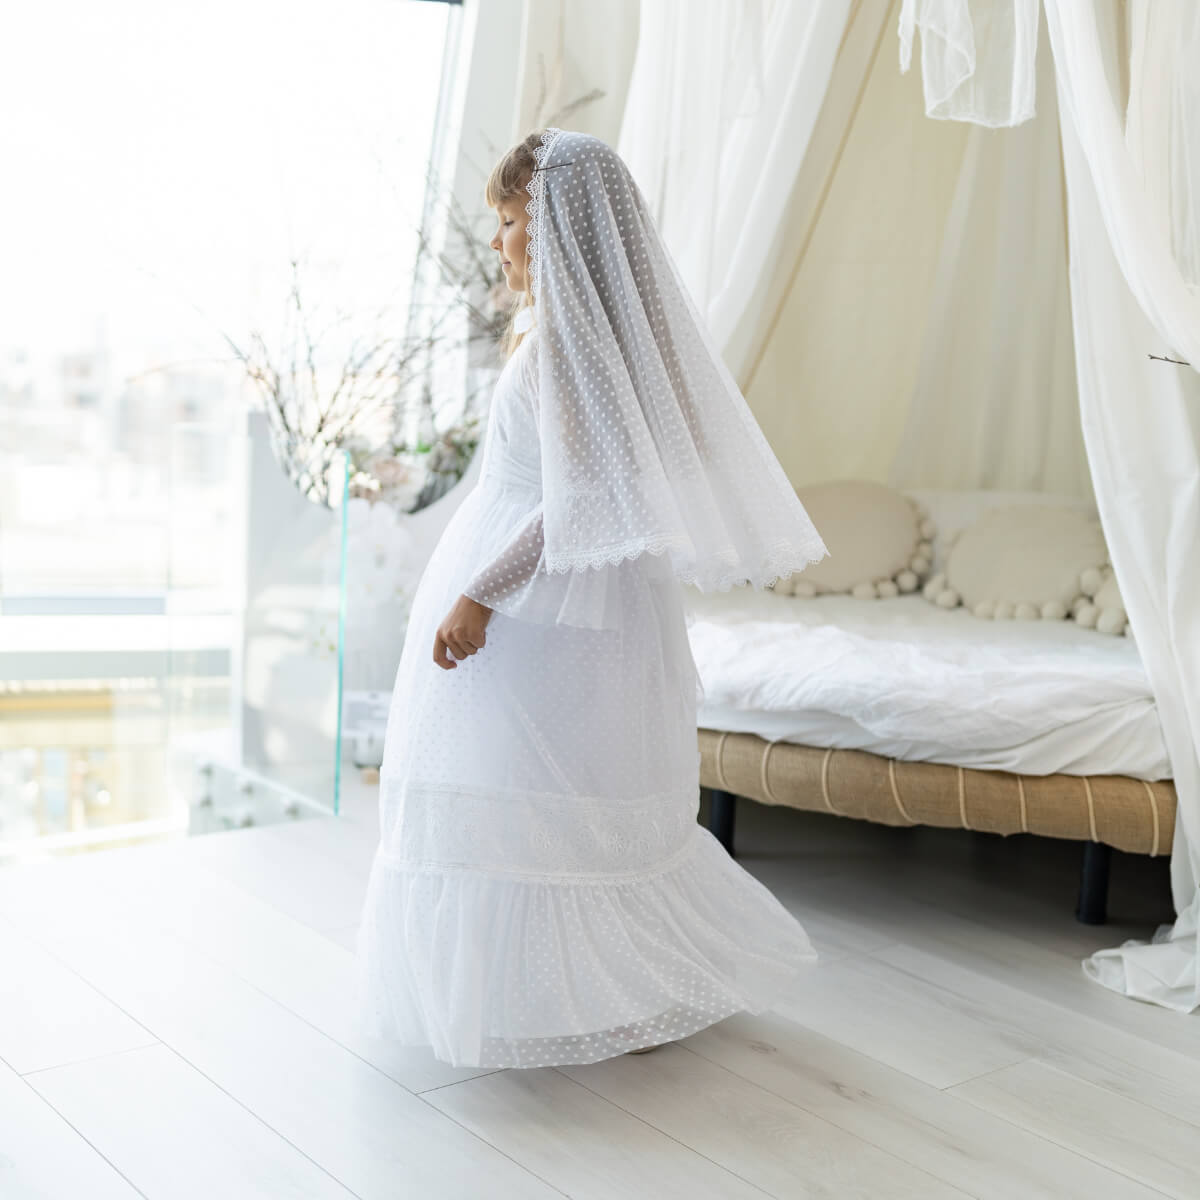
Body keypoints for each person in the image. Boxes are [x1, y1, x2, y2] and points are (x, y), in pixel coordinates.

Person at [352, 127, 830, 1069]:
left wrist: (479, 595)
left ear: (561, 225)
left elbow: (584, 501)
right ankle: (570, 987)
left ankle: (565, 996)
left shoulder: (570, 349)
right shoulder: (595, 341)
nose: (501, 241)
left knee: (525, 788)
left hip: (540, 601)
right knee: (553, 786)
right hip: (578, 597)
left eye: (512, 219)